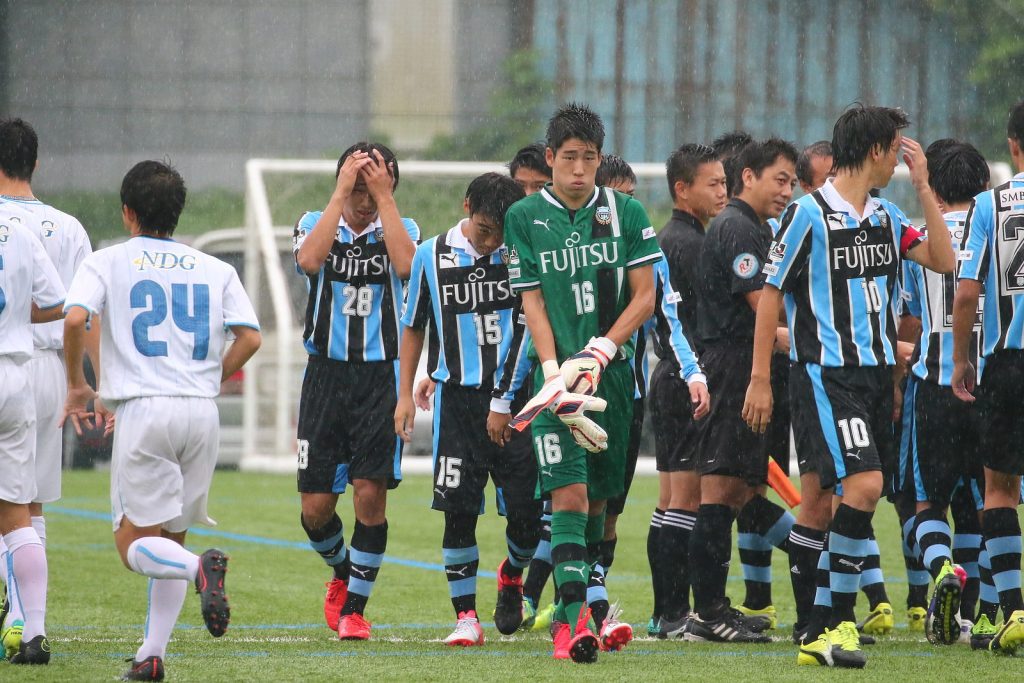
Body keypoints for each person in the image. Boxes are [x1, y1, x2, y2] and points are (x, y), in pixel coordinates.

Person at [743, 105, 954, 668]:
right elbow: (770, 294)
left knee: (818, 502)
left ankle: (813, 628)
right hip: (824, 374)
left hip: (873, 378)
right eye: (898, 147)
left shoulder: (885, 217)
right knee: (864, 486)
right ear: (878, 150)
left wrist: (926, 187)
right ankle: (836, 623)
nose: (900, 156)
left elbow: (943, 257)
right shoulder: (808, 215)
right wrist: (760, 378)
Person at [62, 160, 262, 680]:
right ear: (177, 212)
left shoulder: (107, 261)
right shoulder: (214, 267)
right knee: (172, 540)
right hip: (201, 413)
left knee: (133, 546)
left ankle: (202, 572)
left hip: (147, 411)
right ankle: (152, 657)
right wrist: (206, 379)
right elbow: (251, 337)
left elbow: (76, 318)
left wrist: (80, 386)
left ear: (128, 212)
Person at [504, 103, 662, 663]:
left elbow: (646, 296)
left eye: (588, 159)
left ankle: (578, 613)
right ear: (550, 159)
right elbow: (534, 303)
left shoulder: (628, 213)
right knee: (567, 496)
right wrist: (552, 373)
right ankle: (572, 628)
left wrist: (601, 349)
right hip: (556, 386)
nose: (578, 170)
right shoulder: (523, 217)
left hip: (611, 380)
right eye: (568, 158)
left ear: (599, 160)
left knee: (596, 504)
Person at [393, 172, 541, 646]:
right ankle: (466, 618)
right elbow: (414, 325)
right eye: (483, 229)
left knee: (526, 514)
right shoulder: (429, 255)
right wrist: (404, 394)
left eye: (499, 232)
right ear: (465, 207)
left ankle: (512, 574)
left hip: (517, 402)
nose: (491, 240)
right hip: (457, 402)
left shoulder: (521, 254)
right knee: (457, 511)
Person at [292, 142, 418, 640]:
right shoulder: (314, 221)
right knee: (315, 509)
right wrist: (341, 190)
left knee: (370, 494)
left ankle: (355, 611)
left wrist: (384, 201)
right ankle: (344, 574)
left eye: (376, 188)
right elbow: (308, 260)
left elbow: (409, 269)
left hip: (378, 381)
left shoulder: (403, 229)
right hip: (324, 377)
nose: (365, 199)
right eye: (358, 189)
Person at [683, 137, 797, 643]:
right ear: (747, 176)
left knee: (744, 489)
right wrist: (813, 339)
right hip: (734, 366)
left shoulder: (750, 227)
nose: (787, 190)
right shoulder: (738, 228)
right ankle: (708, 612)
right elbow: (761, 310)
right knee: (723, 490)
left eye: (793, 182)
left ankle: (812, 552)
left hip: (739, 363)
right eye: (780, 179)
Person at [0, 118, 94, 660]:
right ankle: (31, 620)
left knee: (10, 504)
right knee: (29, 504)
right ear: (35, 163)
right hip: (47, 369)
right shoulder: (67, 227)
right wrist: (85, 380)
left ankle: (16, 618)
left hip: (13, 353)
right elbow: (80, 309)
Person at [898, 140, 990, 645]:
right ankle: (978, 614)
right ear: (980, 184)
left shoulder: (921, 236)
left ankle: (940, 569)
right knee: (983, 501)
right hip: (985, 380)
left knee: (925, 504)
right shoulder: (991, 229)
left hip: (932, 380)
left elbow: (908, 316)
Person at [952, 98, 1024, 654]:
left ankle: (1016, 613)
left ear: (1012, 145)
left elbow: (969, 291)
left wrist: (961, 358)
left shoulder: (990, 204)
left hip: (1008, 361)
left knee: (998, 489)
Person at [646, 143, 723, 638]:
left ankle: (665, 612)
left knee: (672, 499)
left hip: (668, 378)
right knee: (687, 503)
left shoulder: (668, 239)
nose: (722, 192)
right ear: (682, 189)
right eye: (712, 184)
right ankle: (678, 613)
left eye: (723, 182)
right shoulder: (692, 245)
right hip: (687, 378)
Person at [0, 199, 64, 665]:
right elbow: (57, 300)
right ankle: (34, 631)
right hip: (15, 376)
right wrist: (18, 318)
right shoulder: (18, 228)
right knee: (19, 515)